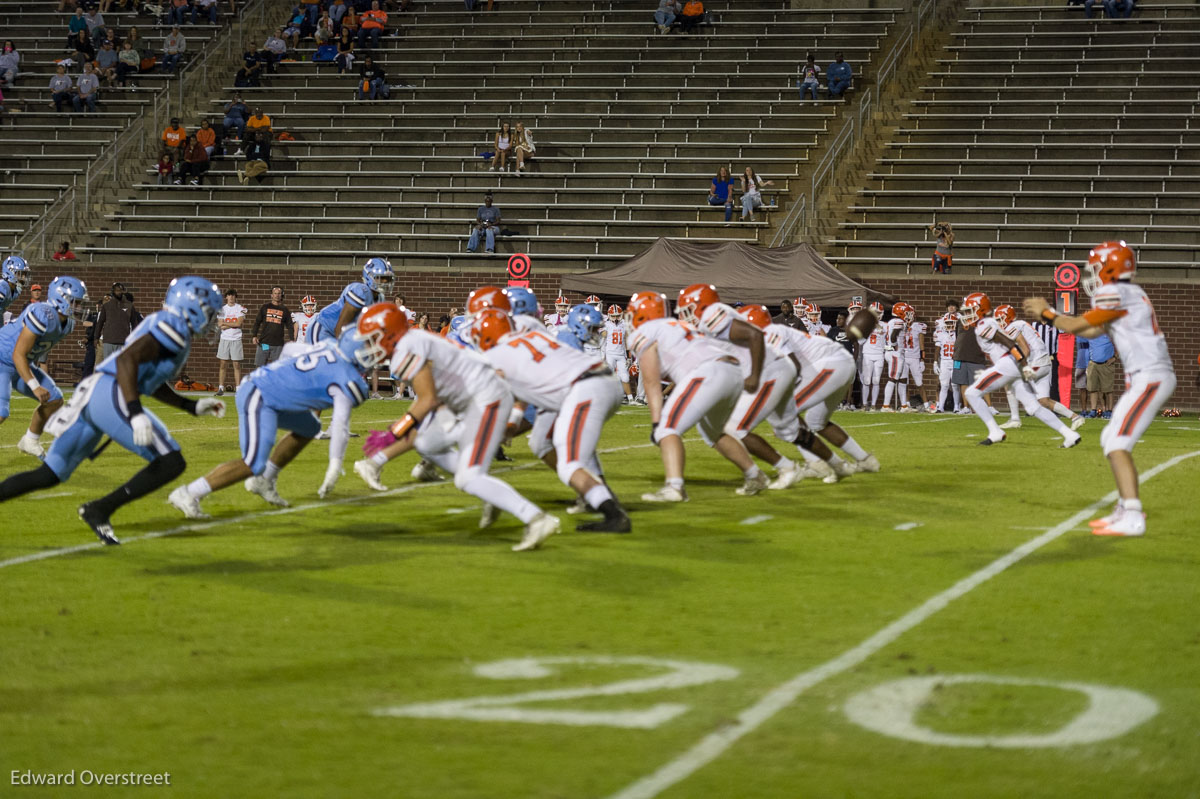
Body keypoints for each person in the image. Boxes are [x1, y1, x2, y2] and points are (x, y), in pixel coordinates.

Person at [0, 277, 226, 545]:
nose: (213, 320)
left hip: (100, 393)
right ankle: (99, 509)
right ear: (194, 307)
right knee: (171, 461)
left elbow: (148, 379)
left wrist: (189, 405)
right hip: (112, 392)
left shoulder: (168, 326)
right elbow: (128, 361)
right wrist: (134, 411)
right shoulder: (172, 327)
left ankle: (98, 510)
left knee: (49, 474)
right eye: (210, 312)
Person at [353, 304, 562, 547]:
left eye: (373, 338)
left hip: (486, 399)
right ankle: (492, 496)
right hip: (472, 398)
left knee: (469, 478)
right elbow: (437, 396)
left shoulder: (405, 349)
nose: (370, 346)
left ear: (390, 333)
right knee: (427, 444)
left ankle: (536, 518)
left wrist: (393, 434)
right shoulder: (414, 338)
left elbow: (427, 400)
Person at [1023, 241, 1170, 536]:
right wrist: (1059, 320)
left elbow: (1080, 324)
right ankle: (1125, 507)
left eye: (1096, 268)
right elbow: (1091, 330)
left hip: (1150, 377)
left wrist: (1048, 314)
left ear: (1111, 267)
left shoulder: (1118, 291)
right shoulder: (1130, 293)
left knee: (1116, 442)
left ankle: (1132, 514)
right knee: (1110, 438)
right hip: (1147, 376)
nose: (1093, 274)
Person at [168, 326, 376, 518]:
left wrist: (280, 375)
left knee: (310, 427)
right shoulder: (346, 379)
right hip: (260, 395)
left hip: (270, 393)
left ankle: (265, 480)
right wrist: (335, 464)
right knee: (253, 462)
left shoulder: (328, 346)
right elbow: (340, 424)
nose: (372, 354)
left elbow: (288, 348)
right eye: (367, 347)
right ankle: (189, 493)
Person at [475, 307, 632, 537]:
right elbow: (525, 381)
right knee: (563, 448)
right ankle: (603, 500)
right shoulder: (533, 336)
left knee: (569, 462)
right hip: (603, 380)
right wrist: (516, 418)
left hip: (583, 390)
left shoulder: (496, 356)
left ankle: (614, 514)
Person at [626, 290, 764, 502]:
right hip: (733, 372)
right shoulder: (683, 325)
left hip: (706, 372)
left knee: (667, 428)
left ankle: (675, 488)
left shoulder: (645, 332)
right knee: (713, 432)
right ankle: (755, 475)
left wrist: (656, 422)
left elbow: (652, 382)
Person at [743, 304, 880, 478]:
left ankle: (817, 463)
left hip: (830, 365)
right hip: (838, 364)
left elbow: (794, 365)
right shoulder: (772, 334)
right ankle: (865, 459)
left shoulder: (769, 334)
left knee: (784, 414)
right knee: (816, 422)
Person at [959, 292, 1081, 448]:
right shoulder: (989, 323)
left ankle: (995, 431)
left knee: (972, 393)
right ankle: (1070, 434)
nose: (967, 314)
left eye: (970, 311)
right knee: (1033, 407)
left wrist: (1023, 364)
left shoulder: (984, 325)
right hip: (1011, 365)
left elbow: (1009, 344)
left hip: (1007, 364)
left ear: (981, 310)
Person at [0, 276, 88, 460]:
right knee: (1, 412)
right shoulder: (42, 313)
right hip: (3, 358)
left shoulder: (68, 323)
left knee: (54, 399)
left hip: (21, 362)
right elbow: (18, 354)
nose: (79, 307)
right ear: (60, 298)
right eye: (75, 302)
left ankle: (30, 441)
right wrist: (34, 385)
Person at [994, 305, 1085, 430]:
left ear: (1008, 318)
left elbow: (1024, 348)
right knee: (1044, 401)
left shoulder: (1014, 326)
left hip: (1037, 362)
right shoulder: (1021, 324)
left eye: (1000, 319)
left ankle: (1015, 419)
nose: (998, 323)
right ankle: (1075, 417)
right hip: (1045, 363)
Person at [306, 257, 394, 345]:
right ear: (369, 276)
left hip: (342, 333)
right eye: (381, 278)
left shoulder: (380, 298)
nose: (385, 282)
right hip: (324, 329)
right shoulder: (361, 291)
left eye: (388, 279)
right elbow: (341, 327)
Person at [602, 304, 636, 403]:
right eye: (613, 316)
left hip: (621, 354)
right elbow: (602, 334)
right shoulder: (606, 324)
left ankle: (630, 399)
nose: (615, 318)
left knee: (625, 376)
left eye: (617, 315)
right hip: (610, 354)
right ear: (609, 315)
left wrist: (629, 356)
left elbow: (626, 340)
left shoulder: (624, 324)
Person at [96, 282, 139, 359]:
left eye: (121, 290)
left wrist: (135, 338)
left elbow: (134, 323)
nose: (119, 292)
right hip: (109, 340)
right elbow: (100, 322)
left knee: (121, 366)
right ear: (113, 291)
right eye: (117, 290)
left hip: (124, 340)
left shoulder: (129, 305)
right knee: (108, 366)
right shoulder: (106, 306)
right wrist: (96, 337)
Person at [251, 286, 292, 365]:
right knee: (260, 367)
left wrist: (291, 339)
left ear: (281, 295)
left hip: (278, 345)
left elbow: (290, 325)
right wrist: (254, 335)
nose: (277, 295)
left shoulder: (285, 310)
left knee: (277, 368)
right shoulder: (265, 307)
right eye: (275, 293)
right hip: (264, 343)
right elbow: (257, 322)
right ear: (272, 295)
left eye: (279, 293)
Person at [216, 288, 246, 395]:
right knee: (223, 364)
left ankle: (238, 389)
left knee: (236, 364)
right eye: (229, 295)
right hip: (225, 339)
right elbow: (220, 325)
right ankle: (220, 388)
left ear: (235, 297)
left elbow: (239, 324)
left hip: (236, 339)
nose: (231, 297)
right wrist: (230, 324)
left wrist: (226, 324)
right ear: (226, 297)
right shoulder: (222, 309)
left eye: (233, 295)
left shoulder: (240, 308)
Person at [859, 301, 886, 409]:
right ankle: (864, 404)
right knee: (866, 381)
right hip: (867, 354)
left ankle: (874, 405)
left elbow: (888, 341)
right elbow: (860, 341)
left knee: (876, 381)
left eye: (878, 313)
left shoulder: (885, 325)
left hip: (879, 354)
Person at [900, 306, 928, 410]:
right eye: (905, 314)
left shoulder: (918, 326)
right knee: (904, 382)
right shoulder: (900, 325)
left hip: (915, 358)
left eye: (909, 314)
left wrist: (922, 360)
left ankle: (926, 405)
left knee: (919, 382)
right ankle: (906, 404)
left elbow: (922, 345)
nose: (907, 317)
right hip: (903, 357)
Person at [933, 311, 961, 412]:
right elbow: (937, 349)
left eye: (951, 322)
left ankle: (956, 407)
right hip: (944, 361)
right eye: (947, 323)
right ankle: (940, 407)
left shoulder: (958, 334)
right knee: (944, 385)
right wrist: (935, 362)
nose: (949, 325)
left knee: (955, 385)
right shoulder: (940, 334)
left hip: (955, 361)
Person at [1086, 330, 1116, 417]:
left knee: (1108, 390)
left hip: (1106, 364)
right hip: (1093, 364)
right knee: (1093, 389)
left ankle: (1109, 411)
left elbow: (1121, 345)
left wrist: (1114, 358)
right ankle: (1093, 411)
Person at [0, 255, 31, 320]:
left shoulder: (15, 291)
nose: (23, 278)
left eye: (24, 275)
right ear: (10, 272)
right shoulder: (2, 287)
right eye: (20, 274)